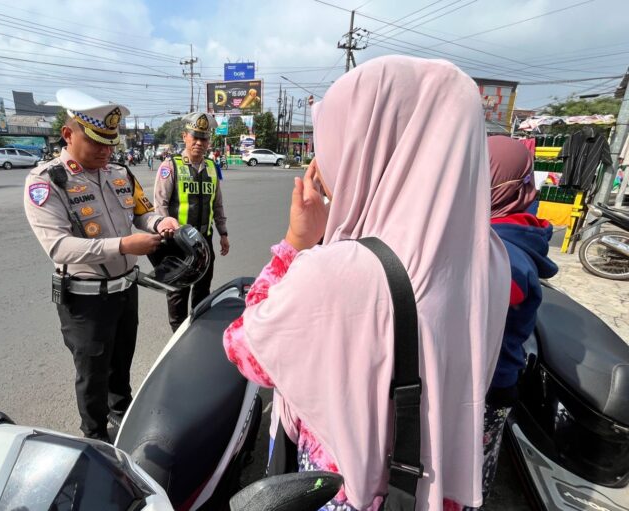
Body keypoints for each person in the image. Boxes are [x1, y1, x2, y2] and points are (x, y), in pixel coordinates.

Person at [222, 56, 510, 510]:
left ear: (367, 144)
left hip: (350, 493)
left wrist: (297, 242)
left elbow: (245, 350)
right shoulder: (491, 255)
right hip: (435, 493)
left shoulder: (339, 272)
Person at [24, 89, 179, 442]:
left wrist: (159, 224)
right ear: (68, 134)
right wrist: (124, 245)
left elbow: (142, 212)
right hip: (86, 299)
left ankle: (122, 414)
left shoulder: (120, 173)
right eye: (96, 142)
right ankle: (94, 436)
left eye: (110, 143)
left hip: (126, 290)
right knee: (92, 373)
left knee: (122, 362)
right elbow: (59, 247)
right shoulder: (47, 182)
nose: (106, 151)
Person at [481, 136, 558, 498]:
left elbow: (476, 309)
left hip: (489, 386)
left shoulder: (506, 255)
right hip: (491, 379)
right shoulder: (509, 230)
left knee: (469, 474)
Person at [154, 112, 229, 331]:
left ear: (209, 141)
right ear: (185, 136)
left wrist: (223, 233)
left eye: (203, 138)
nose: (199, 142)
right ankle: (178, 337)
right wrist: (165, 231)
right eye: (194, 137)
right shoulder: (171, 166)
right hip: (178, 244)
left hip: (205, 241)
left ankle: (198, 332)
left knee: (202, 291)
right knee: (178, 294)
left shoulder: (212, 168)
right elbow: (160, 205)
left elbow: (217, 205)